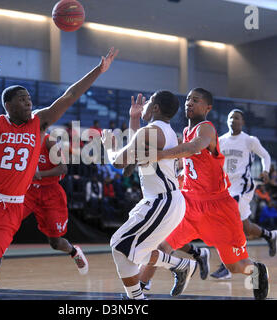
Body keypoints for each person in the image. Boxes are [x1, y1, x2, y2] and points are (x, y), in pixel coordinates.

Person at [0, 48, 118, 300]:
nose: (28, 101)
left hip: (11, 205)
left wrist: (99, 69)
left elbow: (70, 95)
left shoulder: (40, 122)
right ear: (8, 105)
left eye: (29, 97)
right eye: (21, 98)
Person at [139, 88, 269, 300]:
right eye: (188, 99)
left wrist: (160, 154)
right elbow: (188, 165)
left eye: (196, 100)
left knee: (236, 266)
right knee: (161, 245)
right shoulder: (185, 131)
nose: (190, 102)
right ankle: (139, 290)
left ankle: (256, 270)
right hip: (190, 205)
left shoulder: (206, 129)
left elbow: (194, 148)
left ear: (207, 107)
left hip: (219, 209)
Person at [101, 91, 197, 300]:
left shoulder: (151, 132)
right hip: (165, 201)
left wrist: (109, 146)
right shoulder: (164, 131)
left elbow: (120, 161)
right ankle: (182, 266)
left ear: (155, 108)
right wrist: (134, 119)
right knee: (134, 251)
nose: (143, 106)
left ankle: (138, 299)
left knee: (119, 246)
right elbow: (137, 148)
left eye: (148, 102)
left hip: (162, 201)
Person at [0, 132, 89, 287]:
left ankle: (73, 252)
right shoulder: (21, 139)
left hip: (51, 192)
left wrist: (38, 175)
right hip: (27, 191)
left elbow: (63, 169)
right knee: (4, 224)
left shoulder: (48, 141)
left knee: (55, 242)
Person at [210, 109, 276, 280]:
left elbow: (265, 155)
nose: (233, 120)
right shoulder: (221, 140)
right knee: (245, 226)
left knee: (227, 223)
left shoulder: (249, 140)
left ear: (243, 122)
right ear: (227, 121)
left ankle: (227, 266)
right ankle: (270, 235)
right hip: (226, 187)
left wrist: (266, 171)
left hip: (242, 186)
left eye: (237, 117)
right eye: (230, 117)